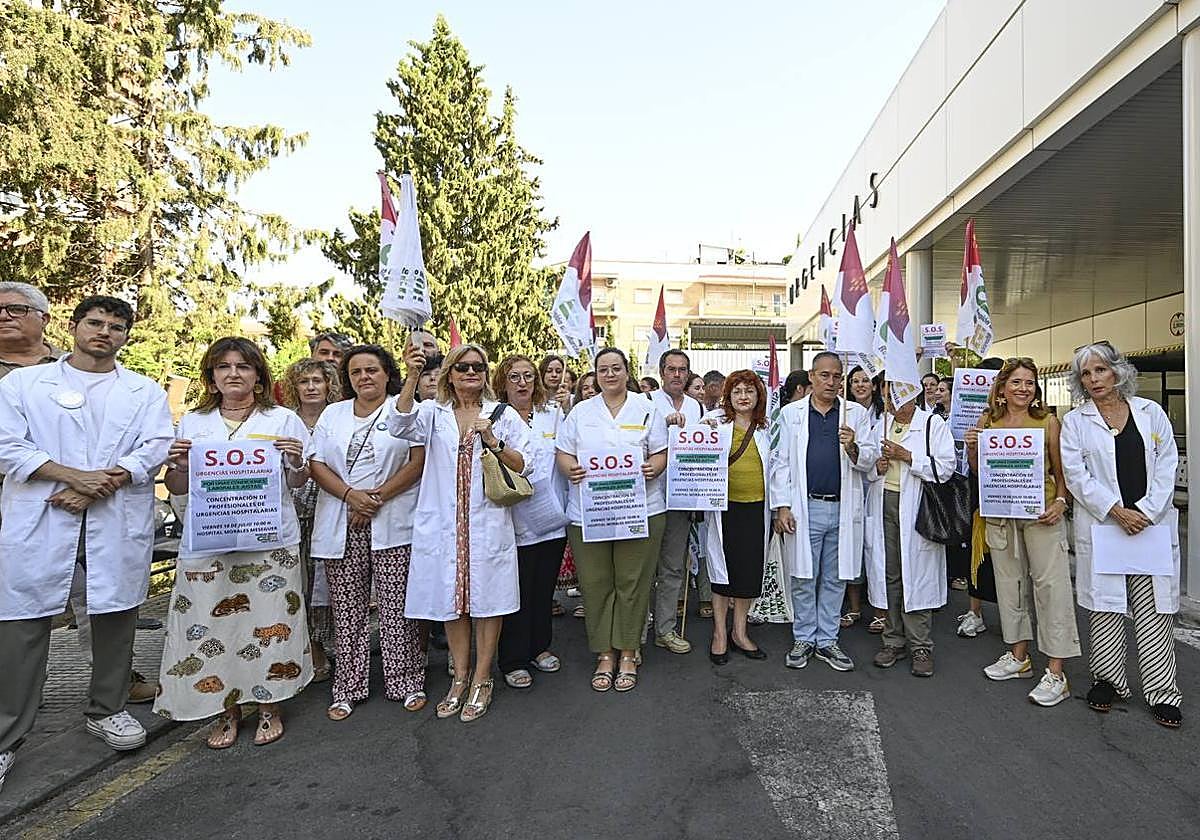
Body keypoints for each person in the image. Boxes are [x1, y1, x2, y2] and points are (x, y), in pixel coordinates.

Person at [0, 295, 172, 789]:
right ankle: (8, 735)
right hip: (42, 516)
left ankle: (107, 708)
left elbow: (155, 445)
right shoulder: (25, 384)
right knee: (23, 625)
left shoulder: (142, 390)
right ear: (73, 326)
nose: (105, 332)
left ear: (125, 336)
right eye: (95, 323)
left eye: (116, 327)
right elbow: (8, 443)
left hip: (112, 516)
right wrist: (73, 478)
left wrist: (105, 482)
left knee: (115, 615)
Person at [157, 337, 312, 747]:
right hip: (208, 542)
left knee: (269, 624)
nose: (233, 374)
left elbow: (298, 481)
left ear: (258, 374)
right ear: (211, 376)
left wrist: (297, 460)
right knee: (208, 626)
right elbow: (176, 483)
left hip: (268, 540)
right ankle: (225, 710)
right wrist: (177, 465)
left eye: (243, 366)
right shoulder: (191, 423)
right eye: (223, 367)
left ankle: (268, 705)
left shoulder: (281, 419)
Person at [390, 342, 529, 722]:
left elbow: (524, 464)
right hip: (444, 526)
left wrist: (494, 441)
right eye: (462, 367)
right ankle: (460, 675)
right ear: (449, 373)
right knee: (452, 601)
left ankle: (483, 678)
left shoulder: (502, 415)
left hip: (487, 525)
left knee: (488, 601)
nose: (471, 373)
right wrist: (414, 373)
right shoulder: (432, 414)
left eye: (478, 367)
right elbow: (398, 423)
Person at [1060, 342, 1183, 728]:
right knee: (1107, 607)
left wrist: (1144, 512)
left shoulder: (1151, 413)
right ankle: (1108, 681)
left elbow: (1167, 463)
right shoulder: (1076, 422)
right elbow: (1077, 475)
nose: (1094, 379)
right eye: (1085, 374)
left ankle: (1163, 692)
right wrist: (1116, 510)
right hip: (1105, 524)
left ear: (1116, 371)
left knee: (1153, 611)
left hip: (1150, 525)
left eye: (1100, 370)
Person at [308, 345, 425, 719]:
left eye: (372, 370)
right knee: (348, 609)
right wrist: (350, 496)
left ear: (387, 373)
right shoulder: (333, 414)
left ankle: (404, 680)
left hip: (391, 519)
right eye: (356, 372)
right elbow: (316, 463)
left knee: (396, 608)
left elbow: (417, 461)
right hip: (342, 520)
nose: (364, 377)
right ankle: (348, 685)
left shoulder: (405, 408)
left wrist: (373, 499)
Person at [965, 357, 1079, 707]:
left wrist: (1060, 502)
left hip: (1041, 516)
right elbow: (977, 471)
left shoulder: (1047, 422)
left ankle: (1056, 673)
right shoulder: (988, 421)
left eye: (1029, 383)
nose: (1024, 389)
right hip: (1001, 515)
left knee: (1051, 589)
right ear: (1001, 389)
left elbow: (1062, 472)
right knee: (1010, 586)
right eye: (1016, 382)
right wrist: (972, 447)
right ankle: (1019, 657)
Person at [556, 348, 668, 692]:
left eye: (616, 368)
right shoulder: (580, 412)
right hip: (590, 513)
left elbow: (662, 452)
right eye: (603, 369)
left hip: (641, 510)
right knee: (596, 584)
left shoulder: (648, 408)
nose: (609, 374)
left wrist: (655, 467)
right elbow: (564, 451)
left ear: (626, 371)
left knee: (632, 584)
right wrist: (569, 469)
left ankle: (629, 652)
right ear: (595, 374)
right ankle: (605, 653)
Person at [772, 352, 876, 672]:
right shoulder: (790, 414)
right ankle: (804, 637)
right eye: (824, 376)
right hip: (806, 508)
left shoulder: (854, 414)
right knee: (804, 575)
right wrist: (783, 506)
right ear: (812, 378)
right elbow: (780, 462)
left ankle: (827, 640)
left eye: (836, 377)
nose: (831, 382)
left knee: (835, 577)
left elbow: (869, 459)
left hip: (843, 508)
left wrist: (853, 446)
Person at [866, 382, 956, 677]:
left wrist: (908, 457)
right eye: (888, 394)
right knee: (890, 572)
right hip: (885, 503)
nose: (892, 401)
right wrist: (876, 466)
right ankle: (892, 640)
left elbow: (945, 468)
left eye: (898, 395)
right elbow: (868, 466)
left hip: (917, 507)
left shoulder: (932, 424)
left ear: (913, 395)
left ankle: (920, 646)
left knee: (914, 574)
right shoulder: (883, 423)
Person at [494, 355, 568, 689]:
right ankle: (513, 657)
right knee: (517, 590)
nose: (522, 382)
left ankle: (540, 647)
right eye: (514, 376)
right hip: (513, 518)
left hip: (550, 515)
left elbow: (565, 455)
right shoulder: (494, 418)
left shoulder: (552, 414)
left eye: (527, 376)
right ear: (503, 382)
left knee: (543, 588)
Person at [702, 371, 771, 665]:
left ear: (758, 397)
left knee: (747, 572)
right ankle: (719, 632)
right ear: (728, 396)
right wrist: (695, 430)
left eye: (750, 391)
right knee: (722, 572)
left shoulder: (766, 430)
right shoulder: (714, 425)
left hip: (755, 509)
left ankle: (739, 632)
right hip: (724, 509)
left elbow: (778, 469)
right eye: (737, 391)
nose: (743, 396)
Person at [280, 358, 341, 682]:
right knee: (301, 586)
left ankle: (330, 643)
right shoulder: (285, 420)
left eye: (317, 380)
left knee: (328, 587)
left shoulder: (339, 416)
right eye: (304, 382)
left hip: (332, 509)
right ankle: (310, 648)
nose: (311, 387)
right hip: (295, 512)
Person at [649, 349, 704, 654]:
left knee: (672, 568)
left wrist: (708, 431)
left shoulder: (697, 407)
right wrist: (664, 426)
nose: (677, 375)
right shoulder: (645, 404)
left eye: (683, 370)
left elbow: (705, 451)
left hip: (681, 498)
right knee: (644, 569)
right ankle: (638, 628)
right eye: (671, 369)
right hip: (649, 498)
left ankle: (665, 629)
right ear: (662, 373)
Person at [842, 366, 887, 635]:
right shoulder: (843, 413)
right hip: (851, 487)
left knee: (877, 551)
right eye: (855, 381)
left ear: (874, 386)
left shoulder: (884, 417)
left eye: (865, 381)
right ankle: (854, 607)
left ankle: (881, 610)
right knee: (853, 551)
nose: (860, 385)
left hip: (879, 488)